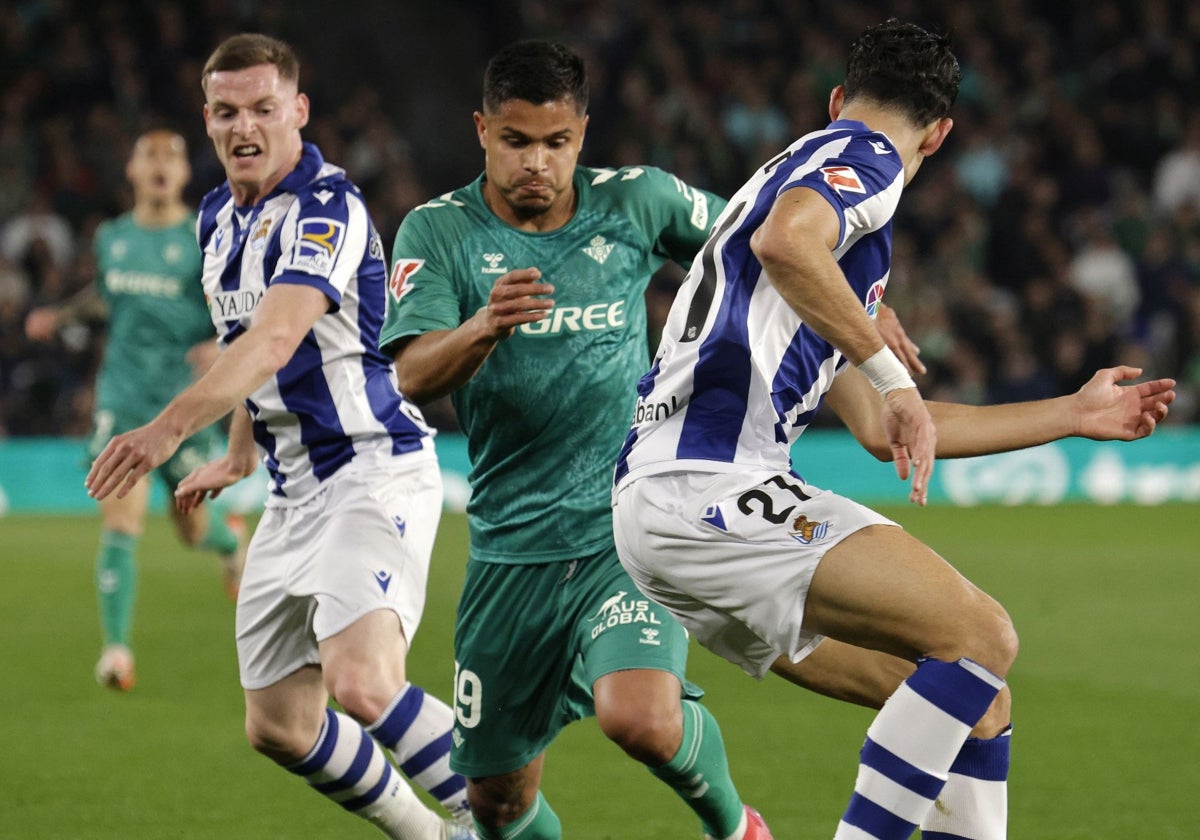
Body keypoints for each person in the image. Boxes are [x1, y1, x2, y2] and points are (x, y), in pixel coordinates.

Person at [610, 19, 1176, 840]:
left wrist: (1071, 415)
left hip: (673, 513)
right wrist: (891, 369)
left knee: (977, 697)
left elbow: (885, 429)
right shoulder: (864, 158)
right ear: (940, 134)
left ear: (838, 92)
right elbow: (787, 243)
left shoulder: (828, 265)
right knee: (981, 634)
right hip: (704, 488)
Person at [381, 40, 774, 840]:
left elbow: (767, 244)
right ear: (482, 130)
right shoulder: (437, 232)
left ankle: (737, 829)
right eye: (517, 141)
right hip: (509, 554)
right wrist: (484, 326)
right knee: (496, 802)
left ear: (582, 135)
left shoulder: (638, 201)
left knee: (640, 717)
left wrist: (863, 314)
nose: (537, 163)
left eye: (555, 143)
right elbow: (414, 376)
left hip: (624, 530)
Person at [85, 33, 473, 840]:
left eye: (263, 107)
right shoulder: (216, 217)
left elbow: (275, 340)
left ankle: (503, 813)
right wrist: (236, 452)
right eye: (226, 112)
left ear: (297, 110)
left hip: (373, 468)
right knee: (280, 725)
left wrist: (165, 430)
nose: (244, 126)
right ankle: (433, 835)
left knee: (363, 684)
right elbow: (243, 343)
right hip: (295, 491)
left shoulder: (327, 208)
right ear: (208, 120)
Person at [25, 128, 247, 692]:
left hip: (182, 404)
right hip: (121, 399)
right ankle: (117, 652)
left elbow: (234, 309)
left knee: (191, 528)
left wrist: (220, 347)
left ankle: (229, 542)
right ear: (130, 169)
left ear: (181, 174)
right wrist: (61, 315)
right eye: (148, 154)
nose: (160, 164)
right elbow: (105, 295)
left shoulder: (204, 236)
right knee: (120, 517)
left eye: (171, 156)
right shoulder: (112, 237)